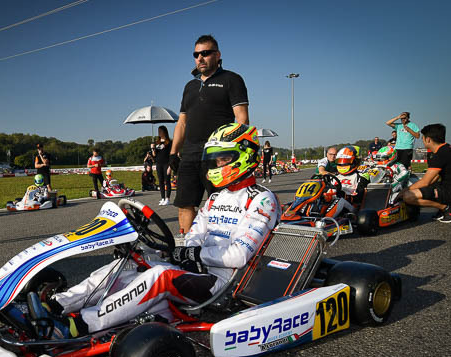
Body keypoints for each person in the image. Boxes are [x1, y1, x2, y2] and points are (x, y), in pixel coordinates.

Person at [44, 123, 279, 338]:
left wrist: (194, 255)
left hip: (222, 284)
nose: (217, 164)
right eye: (215, 159)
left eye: (223, 158)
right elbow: (195, 235)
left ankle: (80, 326)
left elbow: (239, 255)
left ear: (245, 155)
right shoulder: (216, 197)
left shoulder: (261, 199)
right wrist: (185, 252)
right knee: (130, 262)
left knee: (160, 277)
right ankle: (56, 305)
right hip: (197, 269)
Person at [169, 34, 249, 235]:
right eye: (196, 54)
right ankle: (188, 249)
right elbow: (182, 122)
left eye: (205, 53)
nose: (200, 58)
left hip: (218, 155)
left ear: (217, 55)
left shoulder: (232, 80)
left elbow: (242, 119)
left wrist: (234, 152)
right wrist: (173, 152)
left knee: (223, 206)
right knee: (185, 205)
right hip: (189, 155)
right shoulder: (190, 86)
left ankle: (220, 252)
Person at [401, 124, 451, 223]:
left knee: (408, 196)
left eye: (423, 138)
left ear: (428, 139)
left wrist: (402, 191)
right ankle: (444, 207)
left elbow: (425, 182)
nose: (422, 140)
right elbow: (434, 178)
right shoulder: (448, 149)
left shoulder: (440, 154)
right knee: (424, 189)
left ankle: (446, 208)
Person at [155, 125, 173, 205]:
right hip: (158, 164)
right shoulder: (157, 143)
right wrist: (153, 148)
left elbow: (171, 154)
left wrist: (170, 166)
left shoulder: (169, 142)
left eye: (160, 131)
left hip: (166, 163)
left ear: (164, 132)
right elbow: (154, 155)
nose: (159, 133)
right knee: (161, 181)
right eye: (158, 131)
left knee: (167, 181)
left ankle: (167, 198)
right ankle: (162, 198)